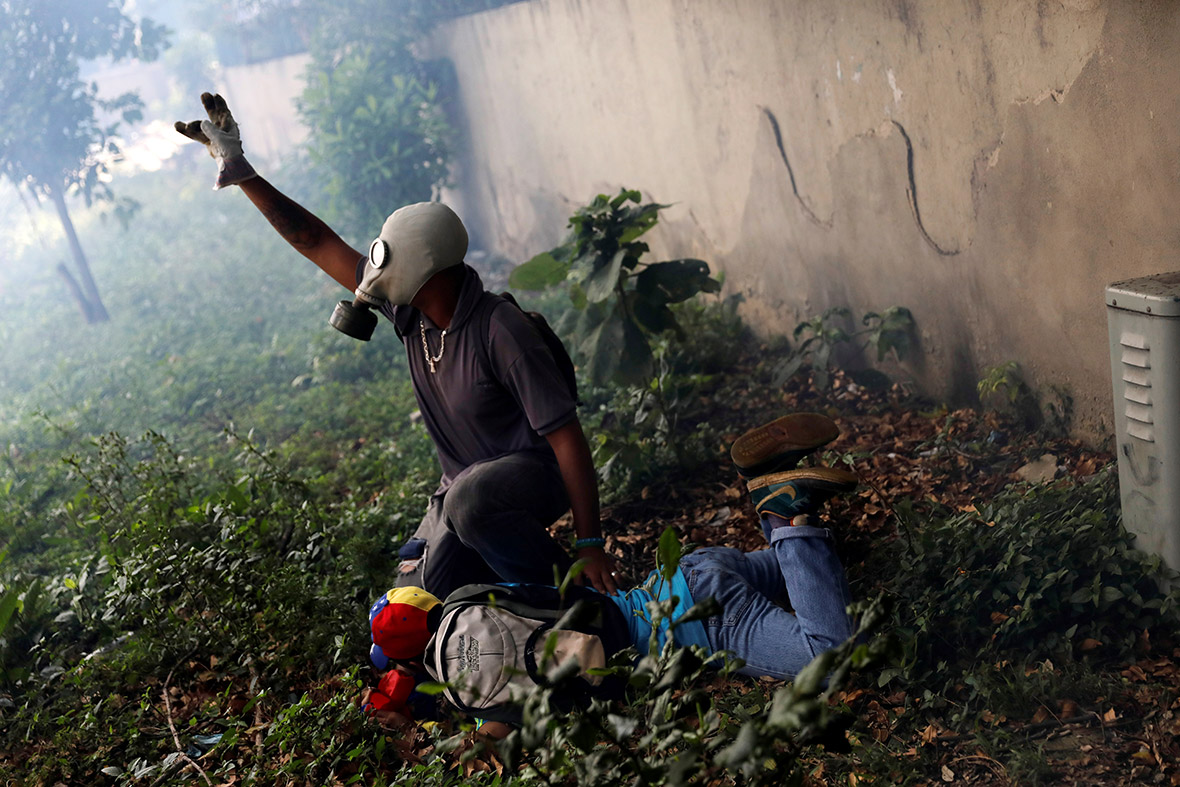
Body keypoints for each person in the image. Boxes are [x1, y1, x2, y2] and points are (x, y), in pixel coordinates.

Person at [174, 93, 615, 597]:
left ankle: (583, 606)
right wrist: (241, 172)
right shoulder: (413, 313)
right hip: (462, 493)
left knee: (473, 505)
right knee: (409, 606)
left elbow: (567, 438)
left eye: (389, 264)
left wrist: (591, 543)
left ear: (430, 268)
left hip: (533, 478)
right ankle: (504, 584)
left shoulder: (502, 331)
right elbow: (314, 241)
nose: (373, 277)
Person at [364, 412, 859, 726]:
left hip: (708, 624)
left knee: (829, 653)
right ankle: (786, 499)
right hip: (687, 571)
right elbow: (539, 595)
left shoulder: (470, 691)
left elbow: (498, 735)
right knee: (818, 571)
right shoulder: (470, 596)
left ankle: (783, 510)